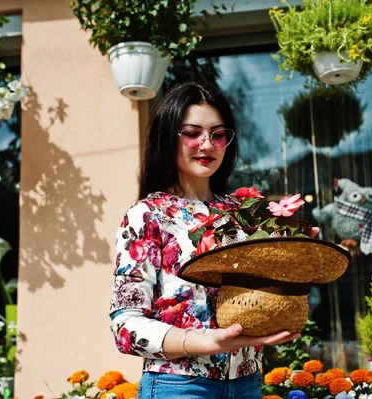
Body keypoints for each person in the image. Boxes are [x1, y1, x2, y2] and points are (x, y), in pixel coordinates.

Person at [109, 82, 301, 399]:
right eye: (192, 133)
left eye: (217, 134)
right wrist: (207, 342)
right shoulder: (147, 215)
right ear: (168, 137)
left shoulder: (243, 215)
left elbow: (260, 295)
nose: (207, 144)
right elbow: (125, 326)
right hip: (179, 385)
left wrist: (296, 257)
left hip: (247, 382)